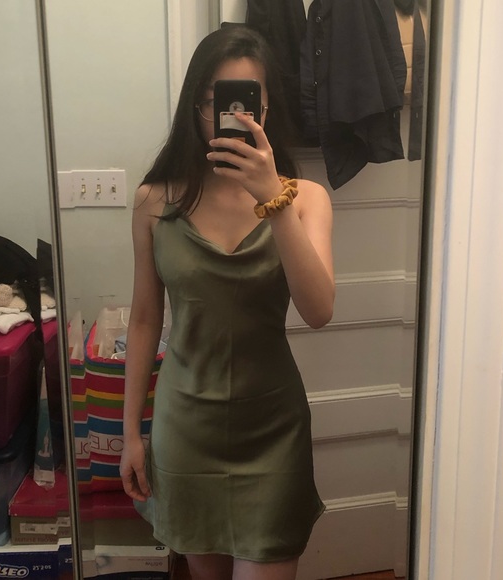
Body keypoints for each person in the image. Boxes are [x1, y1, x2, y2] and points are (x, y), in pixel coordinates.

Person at [120, 25, 335, 580]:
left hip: (273, 431)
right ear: (197, 107)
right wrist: (130, 435)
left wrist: (274, 201)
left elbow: (318, 310)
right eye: (219, 101)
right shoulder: (154, 202)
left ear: (266, 109)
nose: (233, 115)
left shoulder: (305, 199)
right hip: (186, 429)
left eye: (247, 101)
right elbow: (144, 320)